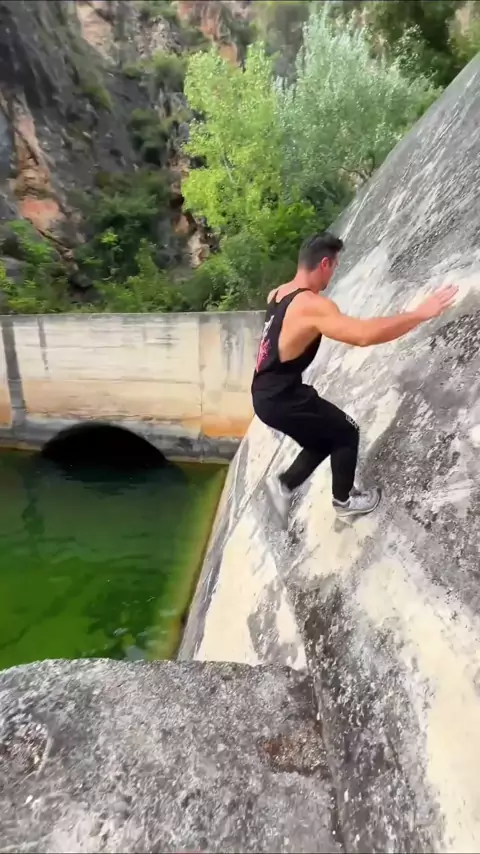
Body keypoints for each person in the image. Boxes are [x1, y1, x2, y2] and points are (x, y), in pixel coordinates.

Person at [251, 231, 458, 527]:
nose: (333, 273)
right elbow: (364, 335)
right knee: (346, 432)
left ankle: (284, 485)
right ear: (324, 263)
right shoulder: (311, 306)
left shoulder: (277, 293)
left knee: (322, 440)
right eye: (334, 266)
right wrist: (419, 314)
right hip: (283, 398)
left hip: (266, 392)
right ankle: (345, 502)